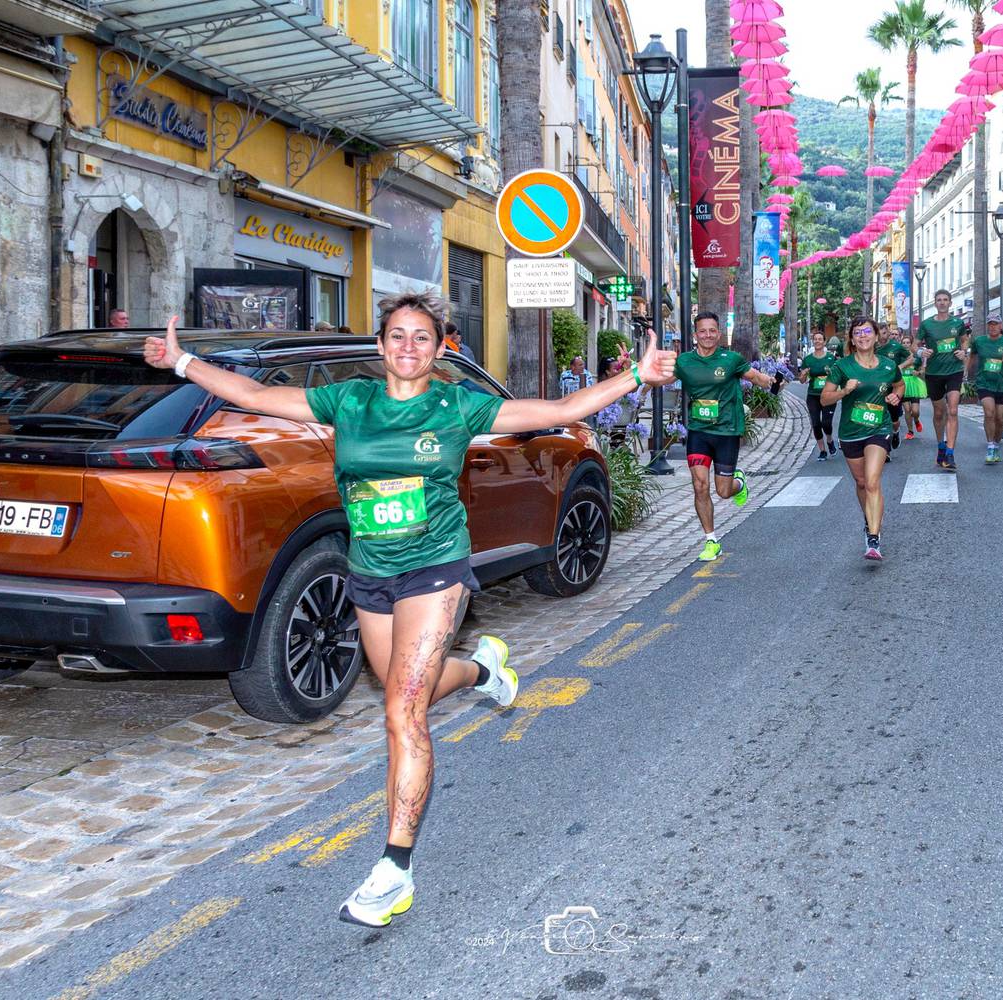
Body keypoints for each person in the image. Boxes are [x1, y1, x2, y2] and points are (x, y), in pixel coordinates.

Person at [142, 291, 675, 928]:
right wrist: (182, 364)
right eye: (397, 336)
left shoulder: (458, 405)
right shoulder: (350, 401)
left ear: (439, 347)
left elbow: (560, 408)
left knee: (402, 710)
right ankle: (482, 671)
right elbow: (255, 398)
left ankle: (394, 870)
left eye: (422, 337)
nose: (408, 347)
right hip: (371, 572)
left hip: (435, 569)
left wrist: (634, 376)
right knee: (405, 691)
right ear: (380, 346)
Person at [676, 311, 782, 562]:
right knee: (700, 486)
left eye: (712, 330)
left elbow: (754, 377)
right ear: (695, 335)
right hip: (699, 431)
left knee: (723, 491)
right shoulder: (684, 362)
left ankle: (739, 483)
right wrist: (635, 379)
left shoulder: (731, 359)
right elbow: (660, 377)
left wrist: (773, 383)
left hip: (726, 431)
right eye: (703, 331)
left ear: (719, 333)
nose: (708, 335)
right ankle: (711, 540)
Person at [821, 316, 903, 561]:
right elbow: (825, 398)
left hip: (879, 429)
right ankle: (869, 521)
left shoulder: (889, 365)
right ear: (852, 339)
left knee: (872, 481)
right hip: (851, 432)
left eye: (868, 331)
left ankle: (874, 538)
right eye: (858, 333)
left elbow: (899, 385)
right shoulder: (842, 367)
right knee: (860, 483)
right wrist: (845, 390)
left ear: (877, 336)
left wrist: (896, 397)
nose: (863, 336)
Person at [917, 289, 969, 471]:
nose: (942, 303)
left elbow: (964, 340)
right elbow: (915, 345)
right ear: (934, 303)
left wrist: (964, 352)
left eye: (945, 300)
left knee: (953, 410)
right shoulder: (927, 325)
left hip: (954, 370)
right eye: (939, 300)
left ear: (950, 303)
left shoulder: (958, 322)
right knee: (939, 413)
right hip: (934, 372)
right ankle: (940, 446)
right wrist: (920, 352)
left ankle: (950, 452)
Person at [969, 313, 1003, 464]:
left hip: (1002, 385)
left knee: (1000, 419)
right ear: (987, 326)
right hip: (984, 383)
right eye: (990, 324)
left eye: (995, 324)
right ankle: (991, 447)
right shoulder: (979, 341)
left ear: (1000, 326)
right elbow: (972, 357)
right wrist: (966, 374)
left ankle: (997, 444)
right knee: (989, 412)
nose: (992, 327)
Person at [797, 332, 838, 462]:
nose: (818, 341)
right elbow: (802, 380)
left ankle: (830, 441)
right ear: (813, 342)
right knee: (815, 424)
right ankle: (822, 450)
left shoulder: (831, 358)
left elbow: (837, 376)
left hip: (829, 395)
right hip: (813, 395)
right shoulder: (808, 359)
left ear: (824, 342)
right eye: (815, 339)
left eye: (820, 339)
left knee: (826, 423)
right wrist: (803, 374)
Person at [876, 324, 913, 455]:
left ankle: (896, 432)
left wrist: (899, 367)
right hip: (877, 387)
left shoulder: (896, 346)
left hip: (894, 387)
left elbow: (910, 358)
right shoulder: (872, 347)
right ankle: (885, 450)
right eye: (880, 333)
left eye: (885, 333)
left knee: (894, 419)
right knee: (879, 417)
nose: (882, 336)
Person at [898, 333, 926, 439]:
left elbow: (922, 369)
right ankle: (910, 431)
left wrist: (918, 373)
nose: (905, 345)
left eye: (907, 343)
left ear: (911, 344)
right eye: (903, 343)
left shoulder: (916, 356)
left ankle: (917, 420)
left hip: (914, 384)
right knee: (907, 409)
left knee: (915, 411)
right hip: (903, 385)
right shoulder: (899, 357)